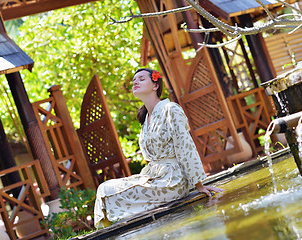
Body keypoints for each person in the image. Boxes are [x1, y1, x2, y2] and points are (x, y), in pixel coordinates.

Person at [94, 68, 223, 228]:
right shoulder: (145, 118)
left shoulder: (171, 110)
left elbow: (185, 146)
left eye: (141, 79)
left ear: (155, 85)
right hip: (154, 176)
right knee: (103, 189)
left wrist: (198, 185)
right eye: (134, 80)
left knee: (108, 193)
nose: (135, 82)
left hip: (173, 180)